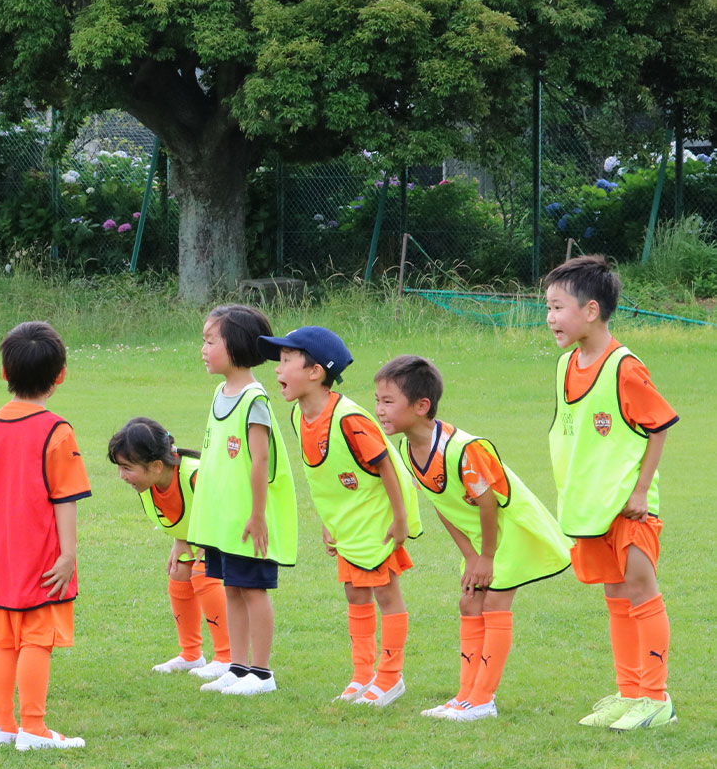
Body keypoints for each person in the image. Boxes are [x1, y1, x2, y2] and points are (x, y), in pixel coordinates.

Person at [374, 355, 572, 721]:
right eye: (377, 400)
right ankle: (465, 696)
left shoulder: (465, 449)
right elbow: (443, 505)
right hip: (485, 542)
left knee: (494, 604)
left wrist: (486, 558)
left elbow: (488, 503)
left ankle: (482, 700)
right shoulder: (408, 449)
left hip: (513, 532)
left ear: (421, 406)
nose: (380, 410)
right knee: (469, 604)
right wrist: (470, 556)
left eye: (388, 401)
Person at [544, 255, 678, 730]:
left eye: (558, 307)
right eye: (548, 307)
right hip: (592, 507)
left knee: (641, 591)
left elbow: (659, 425)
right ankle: (629, 692)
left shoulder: (624, 367)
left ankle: (657, 699)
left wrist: (640, 491)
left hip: (630, 507)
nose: (550, 317)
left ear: (591, 310)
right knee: (617, 595)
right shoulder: (565, 364)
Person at [261, 326, 420, 707]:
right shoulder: (299, 416)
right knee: (354, 592)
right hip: (347, 524)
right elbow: (328, 475)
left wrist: (399, 520)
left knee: (386, 592)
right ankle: (363, 675)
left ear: (315, 372)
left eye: (286, 361)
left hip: (376, 521)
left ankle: (390, 677)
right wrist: (328, 521)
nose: (278, 369)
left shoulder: (348, 419)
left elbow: (386, 467)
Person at [0, 321, 91, 751]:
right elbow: (65, 498)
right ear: (61, 375)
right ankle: (33, 728)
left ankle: (3, 726)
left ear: (4, 372)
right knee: (38, 638)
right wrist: (67, 554)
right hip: (37, 553)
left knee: (3, 641)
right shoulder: (58, 430)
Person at [187, 305, 298, 697]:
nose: (203, 349)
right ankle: (237, 667)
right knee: (231, 588)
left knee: (252, 590)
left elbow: (260, 461)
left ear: (234, 346)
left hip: (249, 520)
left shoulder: (254, 399)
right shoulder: (220, 392)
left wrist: (258, 515)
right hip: (226, 521)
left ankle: (262, 674)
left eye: (210, 341)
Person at [108, 417, 231, 678]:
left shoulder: (195, 475)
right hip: (203, 537)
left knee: (203, 573)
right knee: (179, 571)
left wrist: (208, 542)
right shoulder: (149, 484)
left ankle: (227, 657)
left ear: (156, 466)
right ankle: (191, 655)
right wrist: (180, 539)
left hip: (234, 532)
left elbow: (228, 508)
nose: (122, 476)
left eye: (127, 468)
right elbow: (182, 511)